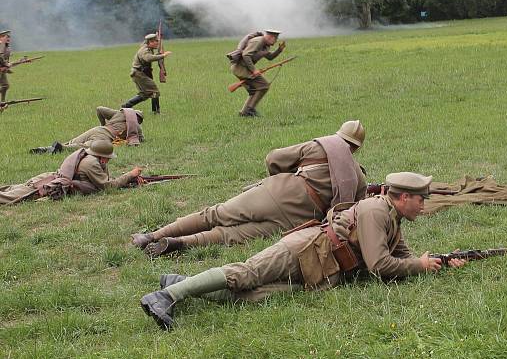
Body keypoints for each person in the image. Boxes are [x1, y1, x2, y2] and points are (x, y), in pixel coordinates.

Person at [140, 172, 467, 330]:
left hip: (322, 268)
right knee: (246, 274)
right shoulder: (375, 212)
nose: (424, 205)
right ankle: (165, 297)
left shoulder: (392, 219)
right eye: (420, 198)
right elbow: (381, 265)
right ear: (402, 197)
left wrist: (435, 260)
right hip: (303, 250)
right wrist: (419, 266)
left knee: (255, 294)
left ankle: (179, 283)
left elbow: (399, 258)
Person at [132, 120, 367, 257]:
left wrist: (281, 180)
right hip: (300, 219)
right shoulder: (358, 177)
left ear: (339, 136)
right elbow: (350, 212)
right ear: (355, 148)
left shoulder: (320, 147)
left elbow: (273, 159)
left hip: (276, 193)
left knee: (216, 214)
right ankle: (180, 244)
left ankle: (152, 236)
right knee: (230, 235)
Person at [1, 140, 142, 205]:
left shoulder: (91, 158)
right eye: (108, 158)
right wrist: (130, 174)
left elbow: (104, 179)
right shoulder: (92, 163)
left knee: (16, 188)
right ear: (102, 156)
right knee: (15, 196)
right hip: (50, 185)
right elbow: (107, 186)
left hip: (50, 178)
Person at [30, 106, 144, 154]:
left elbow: (99, 109)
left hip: (97, 129)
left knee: (72, 141)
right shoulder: (136, 125)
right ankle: (62, 148)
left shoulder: (119, 113)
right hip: (105, 136)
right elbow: (141, 140)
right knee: (86, 146)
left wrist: (103, 125)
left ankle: (45, 148)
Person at [228, 29, 285, 117]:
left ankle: (244, 112)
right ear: (270, 37)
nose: (276, 40)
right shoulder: (258, 41)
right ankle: (250, 110)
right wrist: (254, 70)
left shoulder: (265, 45)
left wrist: (279, 50)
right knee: (264, 85)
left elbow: (269, 57)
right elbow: (246, 55)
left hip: (244, 69)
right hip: (241, 69)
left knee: (254, 90)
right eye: (275, 38)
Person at [122, 33, 171, 114]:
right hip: (139, 74)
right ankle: (156, 112)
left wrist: (159, 54)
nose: (157, 43)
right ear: (150, 42)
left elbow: (150, 56)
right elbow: (148, 58)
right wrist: (163, 55)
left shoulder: (147, 47)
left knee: (145, 94)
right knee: (155, 92)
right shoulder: (144, 50)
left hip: (139, 73)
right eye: (156, 41)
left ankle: (126, 106)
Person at [0, 29, 11, 102]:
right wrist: (6, 64)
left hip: (2, 70)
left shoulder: (7, 47)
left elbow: (6, 59)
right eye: (6, 37)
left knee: (5, 86)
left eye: (8, 37)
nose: (8, 38)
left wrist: (7, 68)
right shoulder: (1, 46)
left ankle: (2, 102)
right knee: (5, 85)